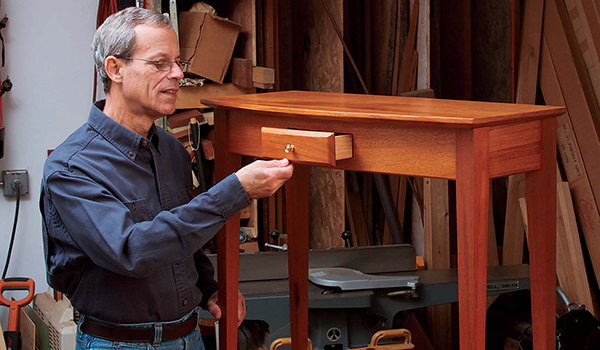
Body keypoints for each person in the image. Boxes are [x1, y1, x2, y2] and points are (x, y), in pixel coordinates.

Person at [40, 7, 294, 350]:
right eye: (160, 63)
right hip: (118, 344)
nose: (177, 74)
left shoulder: (172, 152)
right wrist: (236, 190)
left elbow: (177, 238)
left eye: (178, 62)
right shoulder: (72, 169)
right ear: (115, 69)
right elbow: (133, 250)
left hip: (188, 337)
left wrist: (209, 287)